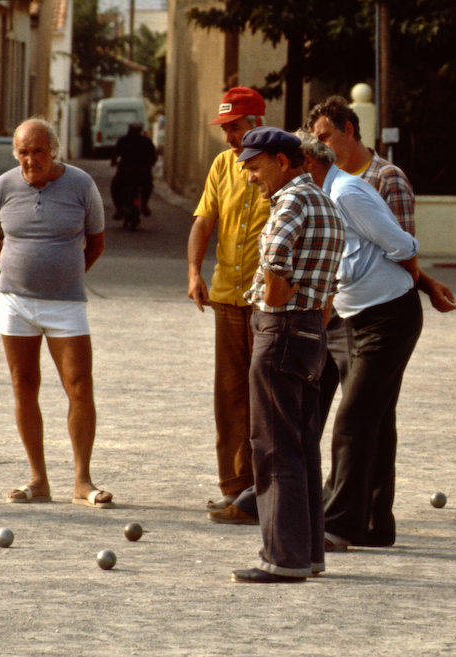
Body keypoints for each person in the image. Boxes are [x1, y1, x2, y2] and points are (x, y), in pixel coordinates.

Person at [293, 131, 424, 551]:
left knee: (352, 420)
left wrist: (417, 283)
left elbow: (402, 244)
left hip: (388, 318)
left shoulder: (348, 192)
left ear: (309, 164)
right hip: (353, 319)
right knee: (376, 421)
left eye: (293, 169)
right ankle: (375, 525)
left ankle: (342, 526)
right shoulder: (317, 197)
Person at [0, 117, 113, 508]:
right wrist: (11, 272)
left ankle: (82, 482)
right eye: (23, 152)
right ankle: (38, 480)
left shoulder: (82, 185)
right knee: (23, 384)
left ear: (54, 150)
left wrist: (66, 275)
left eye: (38, 150)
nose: (30, 159)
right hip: (15, 303)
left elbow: (97, 241)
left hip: (67, 304)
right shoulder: (3, 186)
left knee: (79, 385)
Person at [231, 127, 344, 584]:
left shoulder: (291, 202)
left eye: (255, 168)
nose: (251, 178)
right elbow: (330, 285)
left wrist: (279, 296)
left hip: (279, 328)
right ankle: (309, 554)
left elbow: (275, 263)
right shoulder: (324, 201)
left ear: (282, 161)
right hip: (312, 330)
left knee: (274, 447)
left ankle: (283, 558)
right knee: (301, 446)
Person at [187, 86, 270, 518]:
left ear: (257, 122)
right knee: (230, 394)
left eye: (234, 127)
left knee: (264, 395)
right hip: (227, 295)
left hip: (269, 299)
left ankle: (263, 491)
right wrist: (193, 271)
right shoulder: (222, 165)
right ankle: (236, 487)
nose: (228, 137)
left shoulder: (280, 162)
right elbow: (204, 221)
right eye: (225, 128)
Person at [110, 122, 157, 218]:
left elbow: (115, 154)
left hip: (125, 171)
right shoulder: (146, 141)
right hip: (143, 171)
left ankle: (119, 209)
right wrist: (151, 163)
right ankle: (144, 204)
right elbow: (154, 155)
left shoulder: (123, 140)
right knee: (147, 186)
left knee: (115, 187)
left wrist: (113, 162)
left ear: (129, 129)